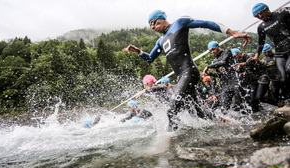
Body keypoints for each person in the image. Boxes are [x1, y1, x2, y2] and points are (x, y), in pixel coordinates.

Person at [122, 10, 251, 131]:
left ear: (161, 19)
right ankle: (227, 122)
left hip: (189, 72)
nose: (152, 27)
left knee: (171, 109)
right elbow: (150, 58)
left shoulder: (179, 23)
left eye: (153, 22)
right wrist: (138, 51)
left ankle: (169, 139)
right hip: (181, 78)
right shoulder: (160, 41)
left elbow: (206, 23)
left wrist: (232, 32)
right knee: (198, 112)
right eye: (150, 26)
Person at [249, 3, 290, 100]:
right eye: (256, 16)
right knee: (283, 78)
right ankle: (288, 99)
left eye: (261, 13)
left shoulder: (282, 12)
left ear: (266, 9)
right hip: (280, 52)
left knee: (289, 69)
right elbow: (260, 43)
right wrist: (256, 56)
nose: (259, 16)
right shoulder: (261, 27)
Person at [202, 41, 244, 114]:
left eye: (213, 49)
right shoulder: (215, 61)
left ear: (218, 46)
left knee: (236, 107)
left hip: (234, 83)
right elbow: (219, 75)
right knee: (224, 109)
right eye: (210, 51)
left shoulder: (226, 52)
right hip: (225, 85)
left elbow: (223, 62)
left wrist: (208, 66)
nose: (212, 51)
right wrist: (209, 73)